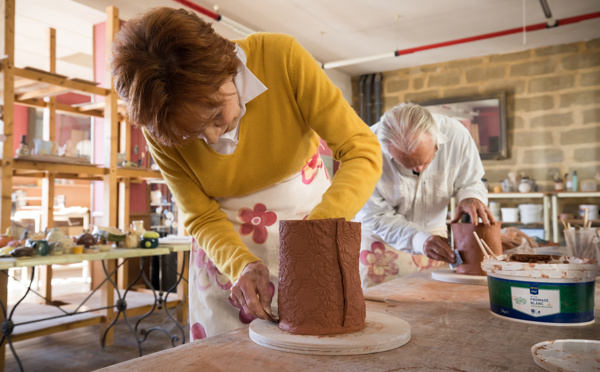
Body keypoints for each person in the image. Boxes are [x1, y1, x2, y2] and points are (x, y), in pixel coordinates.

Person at [110, 7, 382, 339]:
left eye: (214, 116)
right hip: (226, 249)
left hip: (312, 219)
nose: (211, 140)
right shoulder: (161, 121)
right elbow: (200, 215)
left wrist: (315, 236)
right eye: (191, 135)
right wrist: (242, 266)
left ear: (225, 68)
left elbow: (361, 150)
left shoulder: (281, 59)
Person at [355, 103, 494, 288]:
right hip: (382, 243)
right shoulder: (365, 150)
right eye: (406, 164)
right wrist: (419, 239)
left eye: (427, 160)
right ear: (387, 149)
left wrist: (470, 196)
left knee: (436, 307)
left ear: (436, 138)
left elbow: (471, 181)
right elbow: (375, 215)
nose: (418, 170)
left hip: (437, 241)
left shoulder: (456, 136)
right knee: (382, 310)